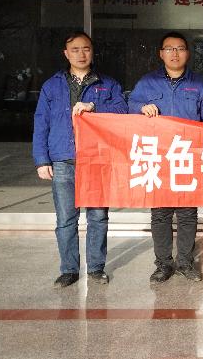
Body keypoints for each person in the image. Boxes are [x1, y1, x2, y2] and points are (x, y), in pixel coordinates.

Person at [33, 31, 128, 288]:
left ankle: (96, 268)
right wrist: (42, 159)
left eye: (86, 48)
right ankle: (69, 270)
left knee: (98, 217)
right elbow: (41, 122)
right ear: (66, 54)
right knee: (66, 219)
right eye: (75, 49)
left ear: (92, 52)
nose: (81, 54)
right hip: (63, 159)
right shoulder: (52, 85)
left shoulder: (108, 84)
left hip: (97, 159)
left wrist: (93, 107)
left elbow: (122, 110)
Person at [128, 32, 203, 283]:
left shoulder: (199, 84)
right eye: (169, 49)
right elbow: (129, 106)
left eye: (180, 49)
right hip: (157, 158)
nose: (175, 53)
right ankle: (163, 264)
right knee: (160, 214)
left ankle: (185, 263)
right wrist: (140, 108)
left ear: (187, 53)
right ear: (161, 53)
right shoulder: (147, 82)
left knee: (188, 213)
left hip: (188, 157)